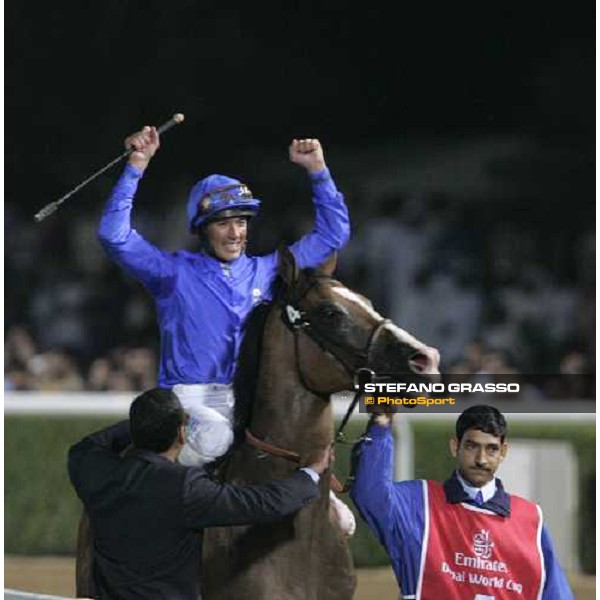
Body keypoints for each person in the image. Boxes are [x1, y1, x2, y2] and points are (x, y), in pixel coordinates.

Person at [97, 124, 355, 535]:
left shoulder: (270, 269)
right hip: (188, 403)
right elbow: (114, 235)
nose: (236, 232)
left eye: (242, 221)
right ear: (202, 227)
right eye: (223, 223)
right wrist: (136, 167)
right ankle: (167, 518)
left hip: (251, 402)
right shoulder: (172, 273)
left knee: (324, 487)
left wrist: (318, 171)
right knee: (216, 437)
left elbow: (333, 234)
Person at [68, 387, 330, 600]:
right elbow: (262, 503)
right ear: (182, 434)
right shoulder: (184, 486)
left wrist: (147, 421)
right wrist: (311, 473)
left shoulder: (94, 470)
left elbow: (88, 445)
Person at [350, 405, 573, 599]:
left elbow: (555, 593)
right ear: (455, 446)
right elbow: (370, 495)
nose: (481, 459)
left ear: (503, 452)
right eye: (471, 446)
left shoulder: (531, 518)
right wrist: (380, 425)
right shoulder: (419, 501)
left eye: (491, 449)